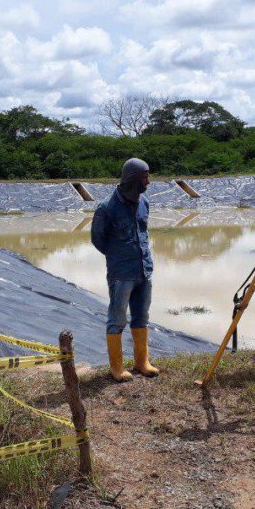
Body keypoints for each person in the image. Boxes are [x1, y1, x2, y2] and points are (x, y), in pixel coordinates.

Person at [91, 158, 160, 382]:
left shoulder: (144, 202)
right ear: (132, 178)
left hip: (144, 270)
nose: (148, 181)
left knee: (142, 316)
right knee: (117, 319)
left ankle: (142, 362)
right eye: (144, 177)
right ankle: (117, 367)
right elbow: (98, 240)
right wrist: (119, 256)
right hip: (121, 274)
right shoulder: (106, 208)